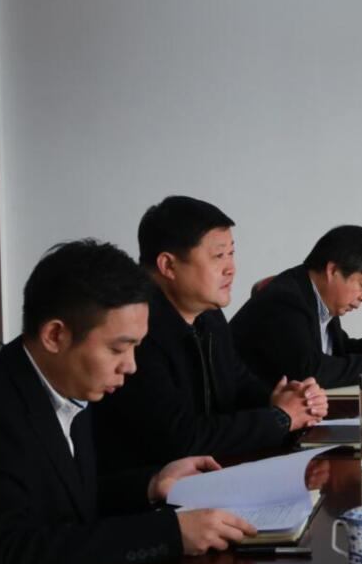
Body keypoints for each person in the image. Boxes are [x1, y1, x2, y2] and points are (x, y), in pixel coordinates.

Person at [0, 240, 258, 564]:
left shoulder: (67, 384)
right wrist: (169, 533)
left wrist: (152, 483)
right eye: (118, 349)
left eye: (136, 347)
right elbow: (16, 554)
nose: (131, 366)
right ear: (55, 336)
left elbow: (67, 500)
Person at [91, 196, 327, 471]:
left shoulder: (209, 316)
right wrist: (280, 418)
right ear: (168, 265)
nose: (231, 268)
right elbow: (180, 438)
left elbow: (239, 382)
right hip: (157, 488)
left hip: (216, 472)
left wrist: (288, 399)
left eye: (231, 253)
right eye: (218, 256)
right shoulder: (134, 332)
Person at [232, 224, 362, 387]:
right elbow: (308, 371)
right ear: (333, 271)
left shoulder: (318, 296)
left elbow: (331, 350)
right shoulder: (285, 300)